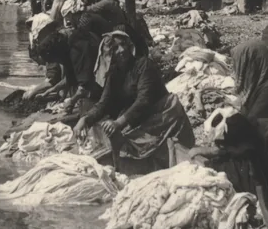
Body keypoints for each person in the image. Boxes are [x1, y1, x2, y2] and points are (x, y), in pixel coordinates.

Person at [75, 31, 194, 173]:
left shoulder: (144, 65)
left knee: (130, 143)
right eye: (115, 48)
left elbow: (144, 100)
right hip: (140, 116)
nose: (121, 50)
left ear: (129, 45)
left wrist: (118, 123)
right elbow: (104, 103)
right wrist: (85, 119)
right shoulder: (114, 73)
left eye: (123, 45)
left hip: (162, 115)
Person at [191, 40, 268, 192]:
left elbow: (251, 134)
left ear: (251, 64)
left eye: (239, 65)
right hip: (265, 148)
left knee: (203, 171)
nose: (237, 71)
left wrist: (216, 151)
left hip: (266, 160)